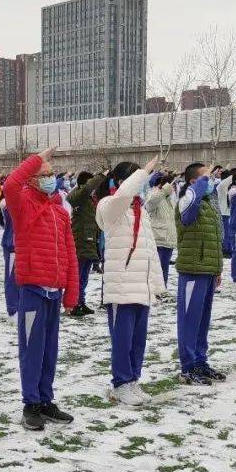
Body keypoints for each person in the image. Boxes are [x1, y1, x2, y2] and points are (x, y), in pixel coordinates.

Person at [4, 147, 79, 431]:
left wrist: (71, 293)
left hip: (54, 292)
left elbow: (70, 253)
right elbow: (11, 183)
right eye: (44, 175)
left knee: (49, 350)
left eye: (52, 174)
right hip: (33, 290)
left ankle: (46, 400)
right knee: (31, 350)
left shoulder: (60, 211)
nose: (51, 179)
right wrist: (37, 158)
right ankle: (30, 403)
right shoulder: (22, 205)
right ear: (32, 180)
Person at [96, 159, 163, 404]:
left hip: (141, 287)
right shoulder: (109, 205)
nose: (144, 185)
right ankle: (121, 383)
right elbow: (123, 195)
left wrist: (155, 285)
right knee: (122, 340)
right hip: (122, 286)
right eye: (140, 180)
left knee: (137, 340)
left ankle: (133, 380)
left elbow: (150, 249)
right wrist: (144, 171)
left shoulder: (140, 210)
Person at [174, 162, 226, 384]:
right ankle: (188, 367)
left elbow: (215, 240)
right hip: (193, 269)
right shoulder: (187, 200)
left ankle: (200, 362)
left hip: (208, 269)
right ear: (194, 182)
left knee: (202, 322)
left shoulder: (209, 205)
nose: (211, 180)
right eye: (206, 177)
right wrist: (199, 184)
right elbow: (188, 213)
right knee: (189, 320)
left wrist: (217, 269)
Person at [68, 168, 107, 316]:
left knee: (84, 276)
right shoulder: (78, 196)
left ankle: (81, 302)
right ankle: (74, 304)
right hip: (81, 240)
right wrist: (100, 176)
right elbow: (84, 191)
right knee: (78, 276)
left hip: (90, 241)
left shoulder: (89, 197)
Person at [144, 170, 178, 286]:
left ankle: (163, 287)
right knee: (157, 268)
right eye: (170, 185)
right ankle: (156, 288)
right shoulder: (153, 194)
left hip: (167, 239)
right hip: (158, 239)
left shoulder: (168, 198)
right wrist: (162, 189)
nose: (172, 188)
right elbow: (150, 203)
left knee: (164, 266)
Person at [0, 198, 18, 318]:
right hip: (12, 246)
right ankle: (13, 310)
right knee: (12, 279)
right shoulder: (7, 202)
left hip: (24, 245)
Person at [215, 166, 234, 256]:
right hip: (223, 212)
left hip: (228, 212)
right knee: (225, 232)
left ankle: (228, 248)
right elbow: (228, 180)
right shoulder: (221, 186)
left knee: (228, 232)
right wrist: (233, 174)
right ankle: (226, 249)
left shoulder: (227, 187)